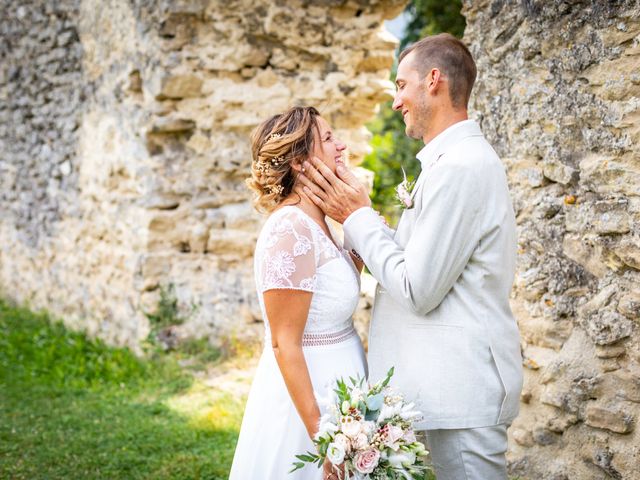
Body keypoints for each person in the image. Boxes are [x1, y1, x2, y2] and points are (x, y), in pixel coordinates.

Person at [299, 33, 523, 480]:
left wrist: (357, 217)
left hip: (462, 391)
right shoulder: (446, 163)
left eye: (402, 85)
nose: (396, 99)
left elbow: (418, 289)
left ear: (433, 80)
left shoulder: (461, 167)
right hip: (441, 388)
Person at [229, 106, 367, 480]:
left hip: (345, 382)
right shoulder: (289, 228)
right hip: (309, 400)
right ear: (300, 162)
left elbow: (331, 295)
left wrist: (357, 224)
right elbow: (283, 342)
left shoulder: (320, 219)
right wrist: (325, 437)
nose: (341, 146)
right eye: (328, 139)